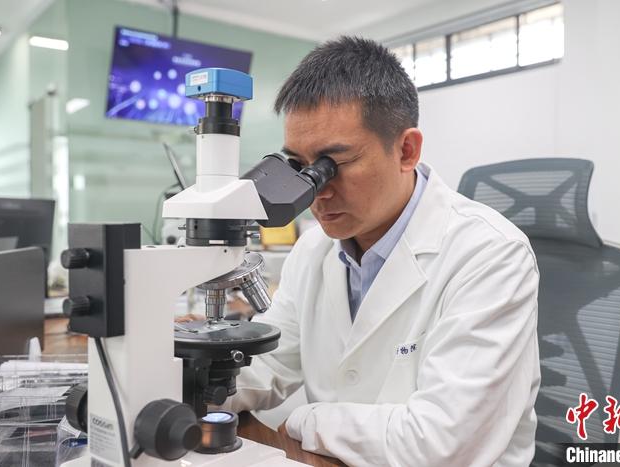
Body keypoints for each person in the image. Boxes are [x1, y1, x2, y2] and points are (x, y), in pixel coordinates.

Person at [220, 36, 541, 466]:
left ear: (406, 150)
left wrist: (307, 420)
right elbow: (268, 364)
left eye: (332, 164)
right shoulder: (313, 248)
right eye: (299, 166)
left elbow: (440, 444)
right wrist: (193, 372)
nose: (316, 191)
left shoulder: (490, 255)